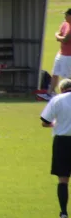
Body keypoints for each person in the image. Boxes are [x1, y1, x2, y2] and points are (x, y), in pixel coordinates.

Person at [40, 79, 71, 218]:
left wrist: (54, 124)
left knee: (63, 179)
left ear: (61, 89)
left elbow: (45, 121)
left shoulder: (57, 100)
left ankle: (63, 212)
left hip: (62, 142)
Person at [48, 9, 71, 100]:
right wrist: (59, 36)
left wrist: (57, 36)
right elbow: (61, 36)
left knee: (67, 76)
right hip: (61, 54)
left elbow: (65, 39)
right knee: (55, 73)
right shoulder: (64, 24)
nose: (64, 16)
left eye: (66, 15)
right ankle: (50, 93)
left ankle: (67, 95)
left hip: (69, 55)